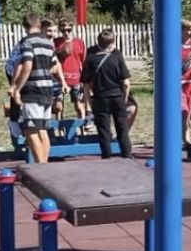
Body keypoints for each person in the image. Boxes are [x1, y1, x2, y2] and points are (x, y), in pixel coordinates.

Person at [9, 14, 57, 163]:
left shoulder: (27, 41)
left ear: (24, 26)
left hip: (33, 91)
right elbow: (54, 67)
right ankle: (44, 165)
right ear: (39, 25)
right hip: (47, 90)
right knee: (42, 130)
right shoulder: (48, 43)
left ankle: (40, 167)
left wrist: (17, 88)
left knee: (30, 131)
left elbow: (27, 65)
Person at [80, 29, 132, 159]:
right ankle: (127, 155)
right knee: (122, 129)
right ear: (111, 44)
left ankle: (107, 156)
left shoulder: (91, 56)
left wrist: (88, 103)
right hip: (117, 96)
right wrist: (125, 97)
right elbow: (126, 82)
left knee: (104, 131)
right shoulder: (116, 55)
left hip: (100, 98)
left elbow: (86, 84)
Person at [54, 17, 88, 120]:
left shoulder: (79, 43)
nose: (66, 33)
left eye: (69, 30)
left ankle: (82, 126)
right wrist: (60, 54)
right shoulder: (55, 43)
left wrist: (84, 80)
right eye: (63, 30)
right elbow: (53, 60)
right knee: (59, 107)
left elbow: (84, 62)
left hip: (76, 79)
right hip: (59, 79)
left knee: (79, 105)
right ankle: (60, 128)